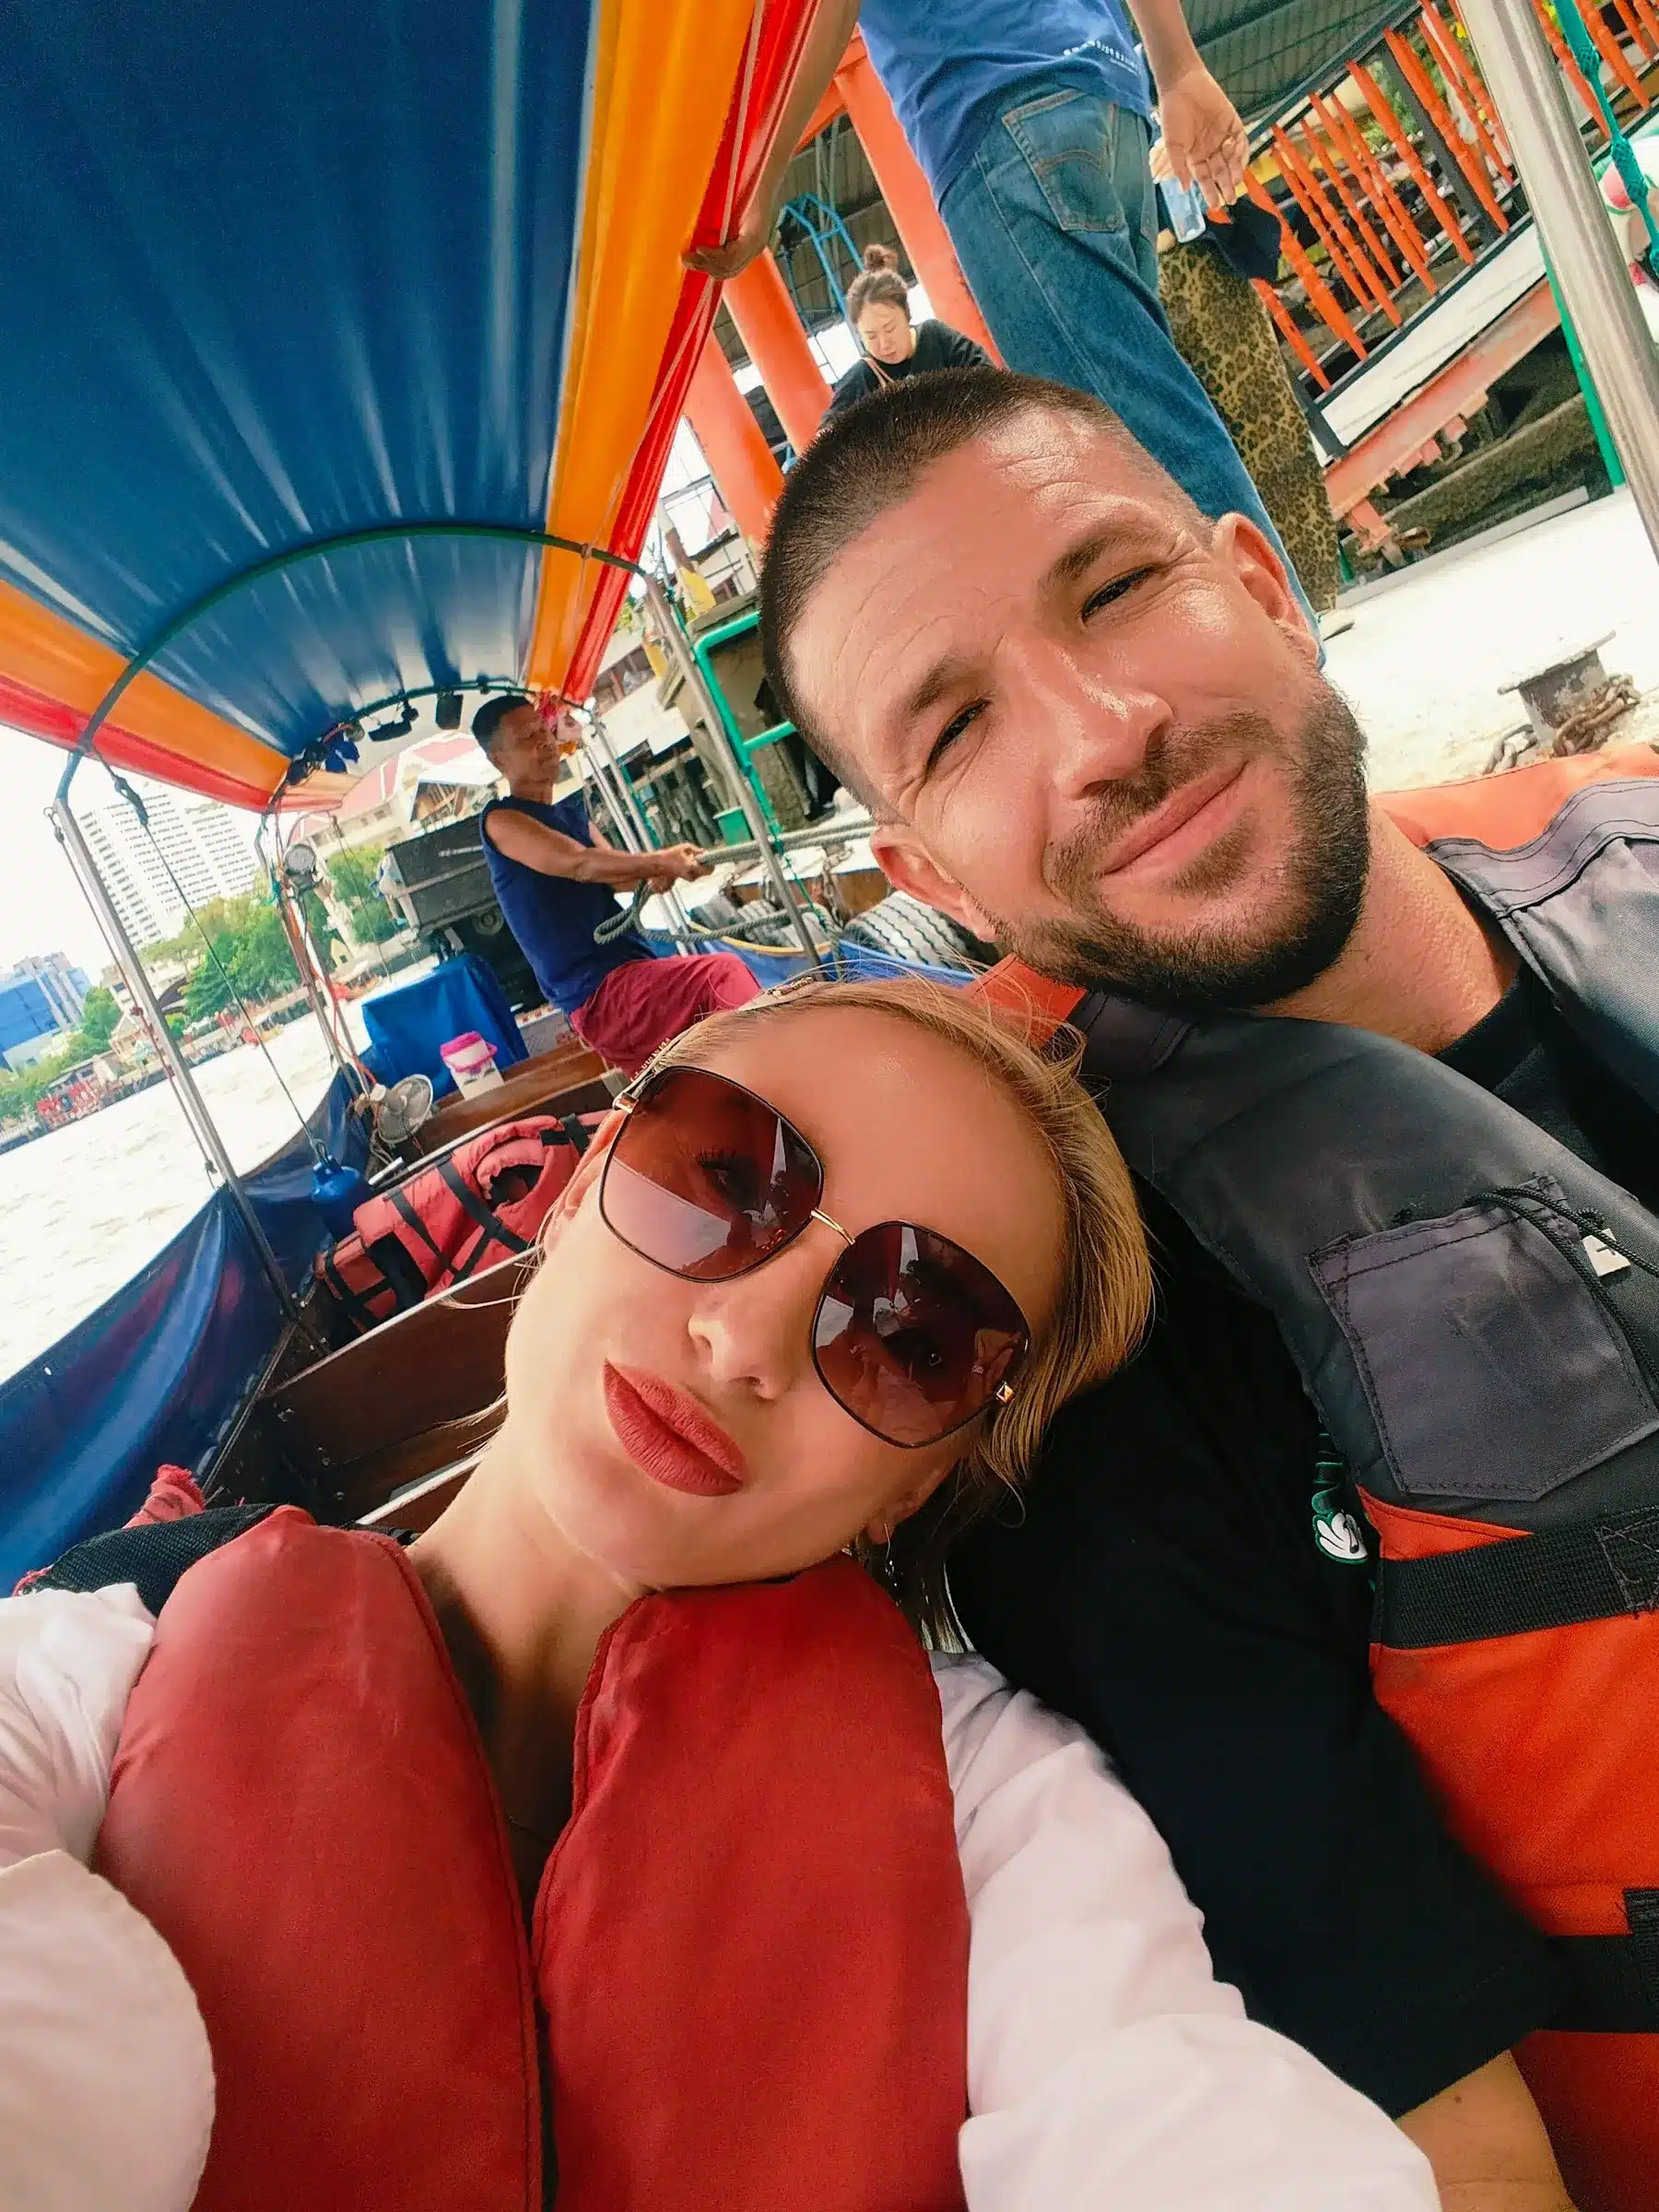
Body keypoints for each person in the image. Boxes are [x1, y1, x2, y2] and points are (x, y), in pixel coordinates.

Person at [1, 979, 1439, 2211]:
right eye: (719, 1181)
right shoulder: (93, 1668)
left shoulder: (992, 1812)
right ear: (571, 1194)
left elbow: (1175, 2117)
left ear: (918, 1486)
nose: (745, 1339)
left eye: (910, 1337)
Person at [754, 368, 1659, 2209]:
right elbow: (1455, 2142)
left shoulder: (1627, 839)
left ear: (1260, 578)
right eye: (957, 724)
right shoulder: (1090, 1374)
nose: (1105, 730)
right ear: (925, 871)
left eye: (1116, 587)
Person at [687, 0, 1317, 624]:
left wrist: (761, 181)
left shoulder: (944, 348)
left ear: (906, 318)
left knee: (1129, 441)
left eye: (885, 328)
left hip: (994, 110)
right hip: (1105, 91)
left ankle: (1281, 667)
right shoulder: (872, 380)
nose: (881, 340)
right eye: (870, 335)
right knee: (1142, 403)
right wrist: (1177, 69)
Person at [474, 691, 759, 1076]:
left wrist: (661, 871)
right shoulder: (502, 821)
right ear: (498, 761)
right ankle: (783, 1080)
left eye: (544, 730)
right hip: (600, 995)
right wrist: (660, 860)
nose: (544, 742)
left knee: (698, 1064)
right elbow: (580, 863)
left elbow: (620, 879)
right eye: (526, 738)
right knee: (721, 976)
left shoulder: (572, 816)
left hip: (630, 973)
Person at [1148, 157, 1342, 612]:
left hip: (1211, 272)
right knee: (1190, 455)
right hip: (1147, 290)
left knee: (1272, 432)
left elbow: (1226, 185)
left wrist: (1206, 173)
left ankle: (1315, 595)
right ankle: (1256, 607)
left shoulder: (1155, 106)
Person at [827, 242, 993, 417]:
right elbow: (827, 433)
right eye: (871, 336)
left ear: (907, 315)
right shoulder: (862, 377)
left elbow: (988, 378)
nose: (884, 345)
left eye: (890, 328)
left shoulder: (936, 337)